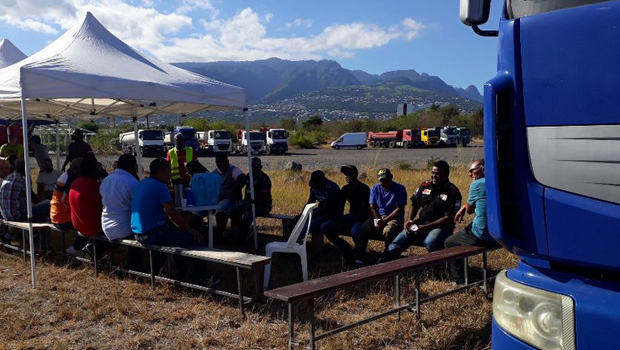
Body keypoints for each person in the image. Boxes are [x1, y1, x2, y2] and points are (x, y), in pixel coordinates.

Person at [379, 160, 462, 263]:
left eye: (438, 174)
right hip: (422, 223)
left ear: (446, 175)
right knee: (400, 239)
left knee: (430, 242)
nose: (434, 176)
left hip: (441, 227)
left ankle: (438, 267)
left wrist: (426, 228)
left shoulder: (453, 192)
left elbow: (448, 218)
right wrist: (410, 220)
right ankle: (382, 264)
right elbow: (415, 203)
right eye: (433, 173)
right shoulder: (425, 185)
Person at [445, 159, 498, 284]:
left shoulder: (477, 184)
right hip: (501, 233)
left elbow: (469, 210)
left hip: (485, 235)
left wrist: (464, 207)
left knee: (450, 242)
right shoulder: (500, 180)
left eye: (472, 170)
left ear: (483, 169)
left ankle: (459, 280)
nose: (469, 174)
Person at [131, 158, 203, 246]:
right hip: (152, 234)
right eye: (169, 171)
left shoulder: (142, 183)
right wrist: (190, 229)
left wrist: (175, 228)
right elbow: (172, 212)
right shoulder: (160, 186)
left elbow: (164, 214)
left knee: (175, 236)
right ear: (161, 171)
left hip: (139, 235)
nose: (171, 174)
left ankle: (164, 260)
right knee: (196, 239)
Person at [352, 168, 407, 265]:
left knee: (388, 232)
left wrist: (385, 220)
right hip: (377, 215)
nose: (384, 182)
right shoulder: (375, 188)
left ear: (391, 177)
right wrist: (377, 219)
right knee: (363, 230)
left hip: (393, 218)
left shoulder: (399, 188)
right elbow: (372, 207)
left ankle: (388, 257)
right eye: (381, 180)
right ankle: (359, 257)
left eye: (386, 179)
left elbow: (399, 209)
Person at [321, 165, 370, 258]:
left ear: (356, 174)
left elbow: (364, 211)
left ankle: (360, 255)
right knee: (325, 226)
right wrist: (338, 219)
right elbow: (340, 206)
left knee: (355, 231)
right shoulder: (345, 189)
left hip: (362, 218)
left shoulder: (363, 188)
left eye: (350, 174)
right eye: (346, 174)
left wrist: (347, 220)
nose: (348, 176)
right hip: (351, 216)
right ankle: (345, 248)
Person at [229, 157, 272, 243]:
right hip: (248, 203)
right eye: (251, 166)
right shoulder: (249, 176)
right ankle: (247, 230)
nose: (253, 168)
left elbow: (266, 198)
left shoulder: (264, 178)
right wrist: (238, 196)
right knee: (231, 211)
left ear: (261, 167)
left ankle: (243, 238)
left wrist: (253, 203)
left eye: (255, 166)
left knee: (248, 215)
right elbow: (239, 186)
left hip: (263, 205)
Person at [100, 154, 140, 241]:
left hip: (106, 226)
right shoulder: (132, 182)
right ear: (134, 167)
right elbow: (141, 207)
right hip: (124, 228)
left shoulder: (106, 180)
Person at [0, 158, 50, 223]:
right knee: (49, 203)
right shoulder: (21, 180)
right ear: (25, 168)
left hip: (6, 216)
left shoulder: (8, 178)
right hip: (18, 217)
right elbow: (33, 199)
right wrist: (43, 200)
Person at [298, 170, 341, 244]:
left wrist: (309, 215)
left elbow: (326, 208)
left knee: (307, 226)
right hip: (321, 211)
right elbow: (310, 202)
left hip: (332, 214)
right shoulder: (314, 187)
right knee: (298, 222)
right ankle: (292, 242)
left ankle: (294, 245)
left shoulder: (332, 189)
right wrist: (302, 215)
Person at [212, 153, 246, 238]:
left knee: (220, 209)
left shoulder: (233, 170)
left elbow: (242, 178)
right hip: (216, 199)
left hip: (231, 199)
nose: (221, 164)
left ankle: (219, 234)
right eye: (219, 162)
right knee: (197, 212)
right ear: (216, 163)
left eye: (223, 162)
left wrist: (235, 190)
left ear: (227, 161)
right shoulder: (214, 173)